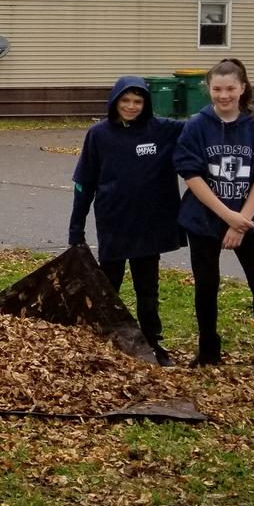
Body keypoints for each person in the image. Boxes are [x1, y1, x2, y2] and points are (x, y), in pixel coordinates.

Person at [174, 58, 254, 376]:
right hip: (204, 219)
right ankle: (208, 351)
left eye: (230, 88)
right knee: (206, 286)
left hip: (248, 220)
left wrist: (241, 221)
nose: (224, 95)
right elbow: (191, 175)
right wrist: (227, 216)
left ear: (242, 88)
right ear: (208, 89)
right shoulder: (196, 126)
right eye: (217, 89)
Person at [67, 76, 185, 366]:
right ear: (115, 101)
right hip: (114, 224)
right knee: (109, 286)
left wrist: (251, 111)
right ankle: (106, 338)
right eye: (126, 100)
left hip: (149, 226)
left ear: (146, 104)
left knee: (148, 290)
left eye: (138, 101)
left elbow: (205, 123)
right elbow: (84, 183)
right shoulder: (99, 135)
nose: (131, 106)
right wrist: (76, 228)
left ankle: (152, 342)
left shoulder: (161, 130)